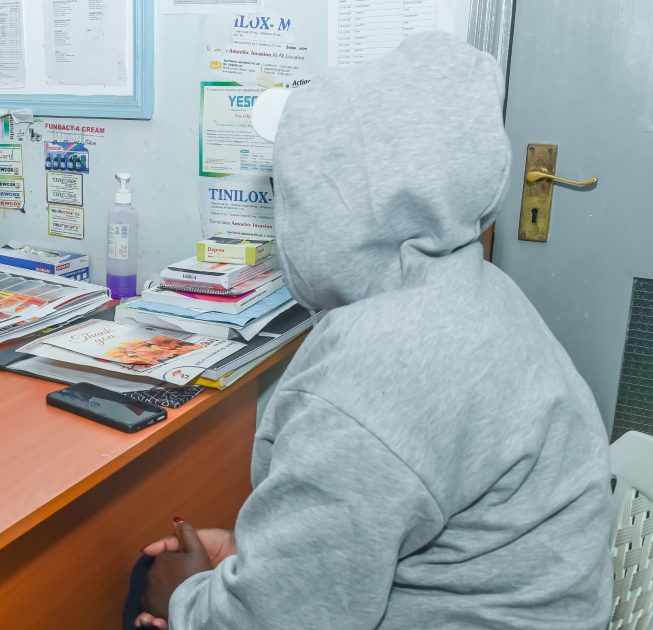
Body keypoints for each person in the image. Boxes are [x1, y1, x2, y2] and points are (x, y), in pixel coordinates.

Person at [134, 33, 613, 628]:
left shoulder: (380, 370)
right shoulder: (476, 292)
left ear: (330, 203)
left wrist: (184, 601)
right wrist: (250, 556)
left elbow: (280, 622)